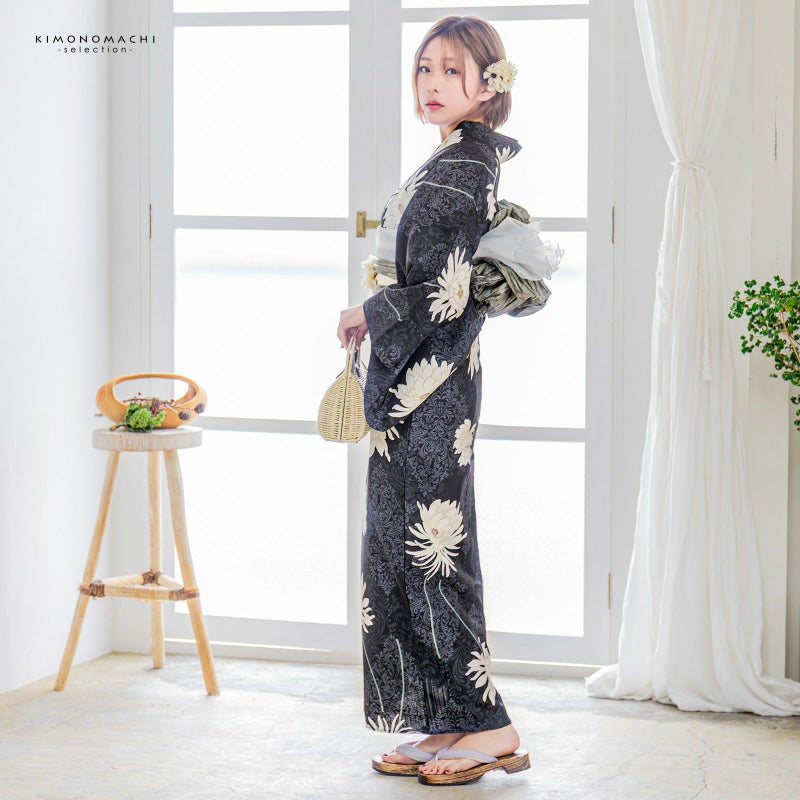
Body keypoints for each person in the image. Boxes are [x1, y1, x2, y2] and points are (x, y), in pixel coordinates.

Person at [337, 15, 530, 786]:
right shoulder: (454, 158)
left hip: (433, 388)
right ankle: (448, 720)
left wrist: (369, 311)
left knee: (432, 553)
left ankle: (491, 726)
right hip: (425, 387)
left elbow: (447, 291)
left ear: (489, 83)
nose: (433, 83)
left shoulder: (463, 166)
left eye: (452, 70)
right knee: (405, 550)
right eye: (425, 68)